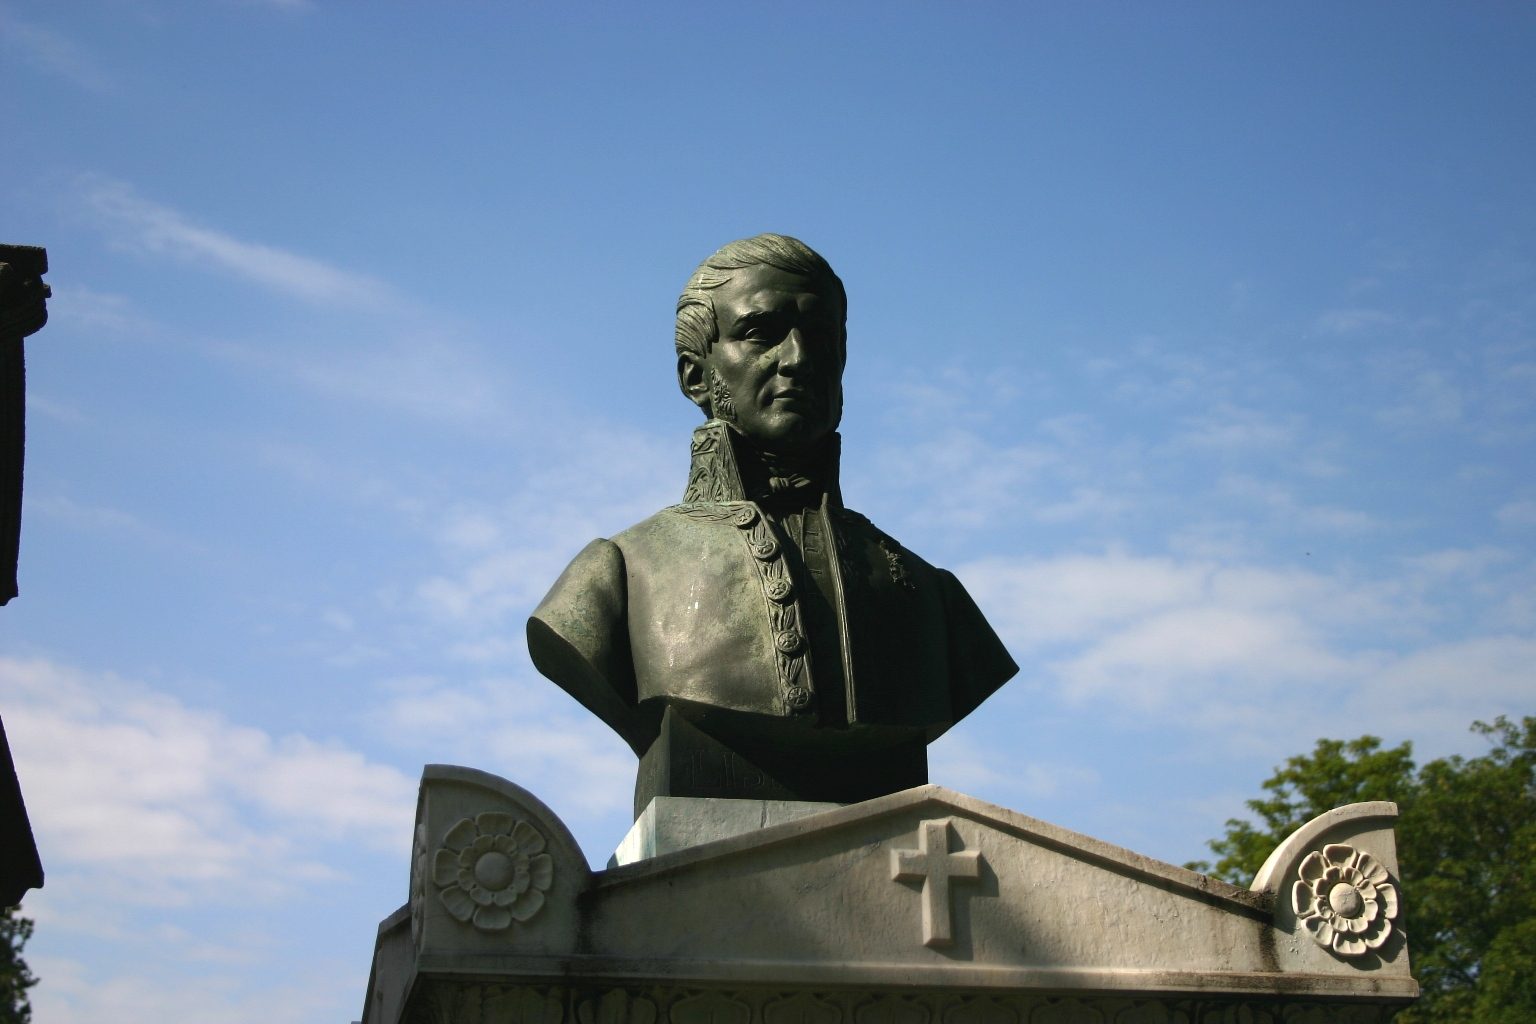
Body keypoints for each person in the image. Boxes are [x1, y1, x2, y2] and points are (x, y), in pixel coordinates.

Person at [528, 234, 1017, 817]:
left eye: (821, 335)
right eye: (761, 332)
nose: (798, 358)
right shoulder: (619, 574)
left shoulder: (933, 597)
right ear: (695, 376)